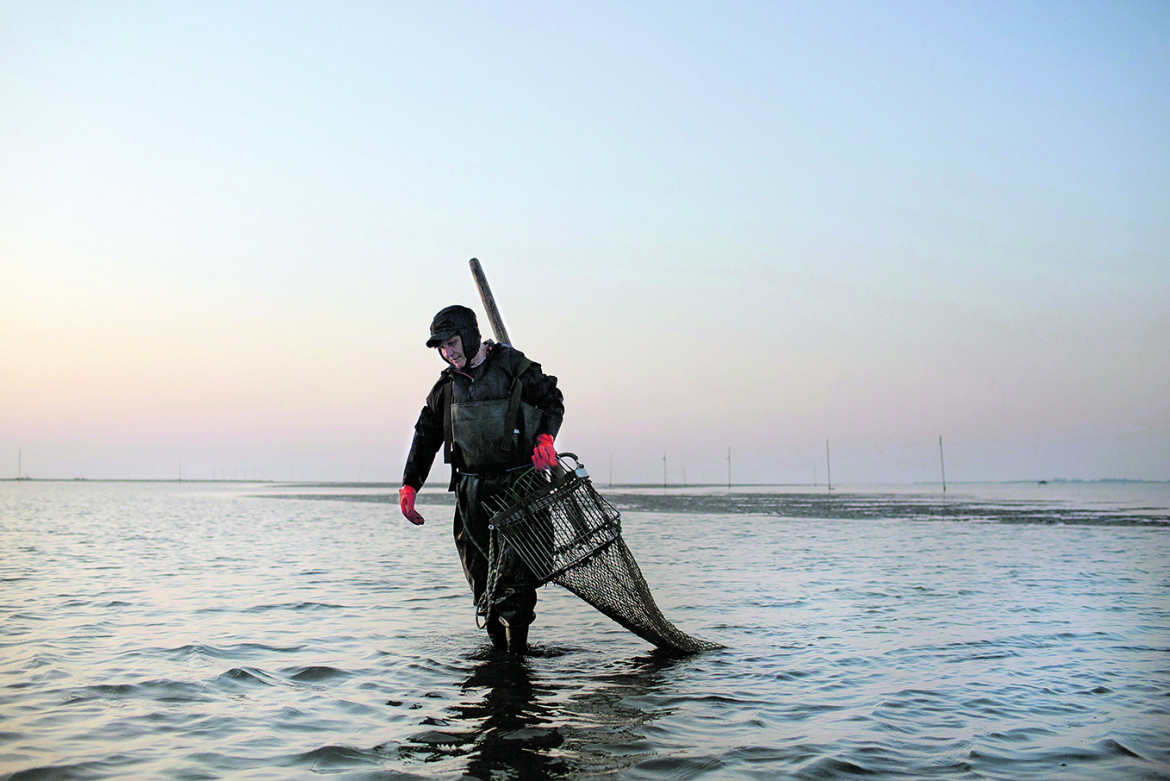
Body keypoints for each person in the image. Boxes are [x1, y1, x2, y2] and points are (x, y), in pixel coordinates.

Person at [399, 304, 564, 654]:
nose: (448, 352)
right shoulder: (447, 387)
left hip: (519, 489)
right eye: (441, 347)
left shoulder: (513, 367)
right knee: (484, 586)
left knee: (515, 585)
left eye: (452, 342)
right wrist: (410, 484)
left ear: (470, 335)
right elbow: (426, 433)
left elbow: (553, 399)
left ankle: (515, 666)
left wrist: (545, 437)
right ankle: (498, 664)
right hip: (471, 493)